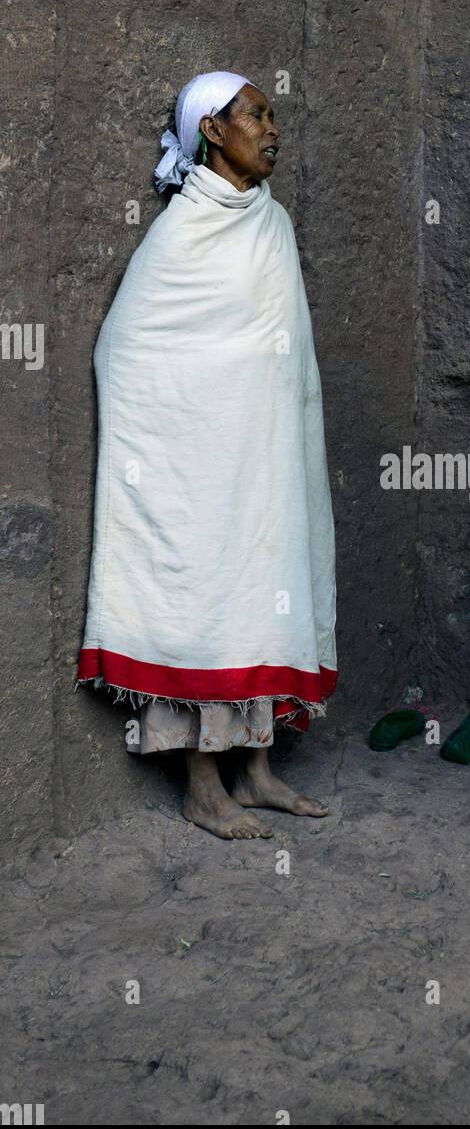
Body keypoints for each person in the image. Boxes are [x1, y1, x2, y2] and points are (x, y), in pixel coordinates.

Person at [77, 71, 337, 840]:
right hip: (200, 459)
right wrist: (198, 414)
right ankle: (201, 787)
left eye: (272, 115)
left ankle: (254, 772)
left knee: (264, 586)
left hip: (265, 459)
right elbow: (126, 348)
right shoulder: (182, 230)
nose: (272, 129)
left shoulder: (273, 223)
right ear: (213, 132)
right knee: (204, 600)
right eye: (256, 115)